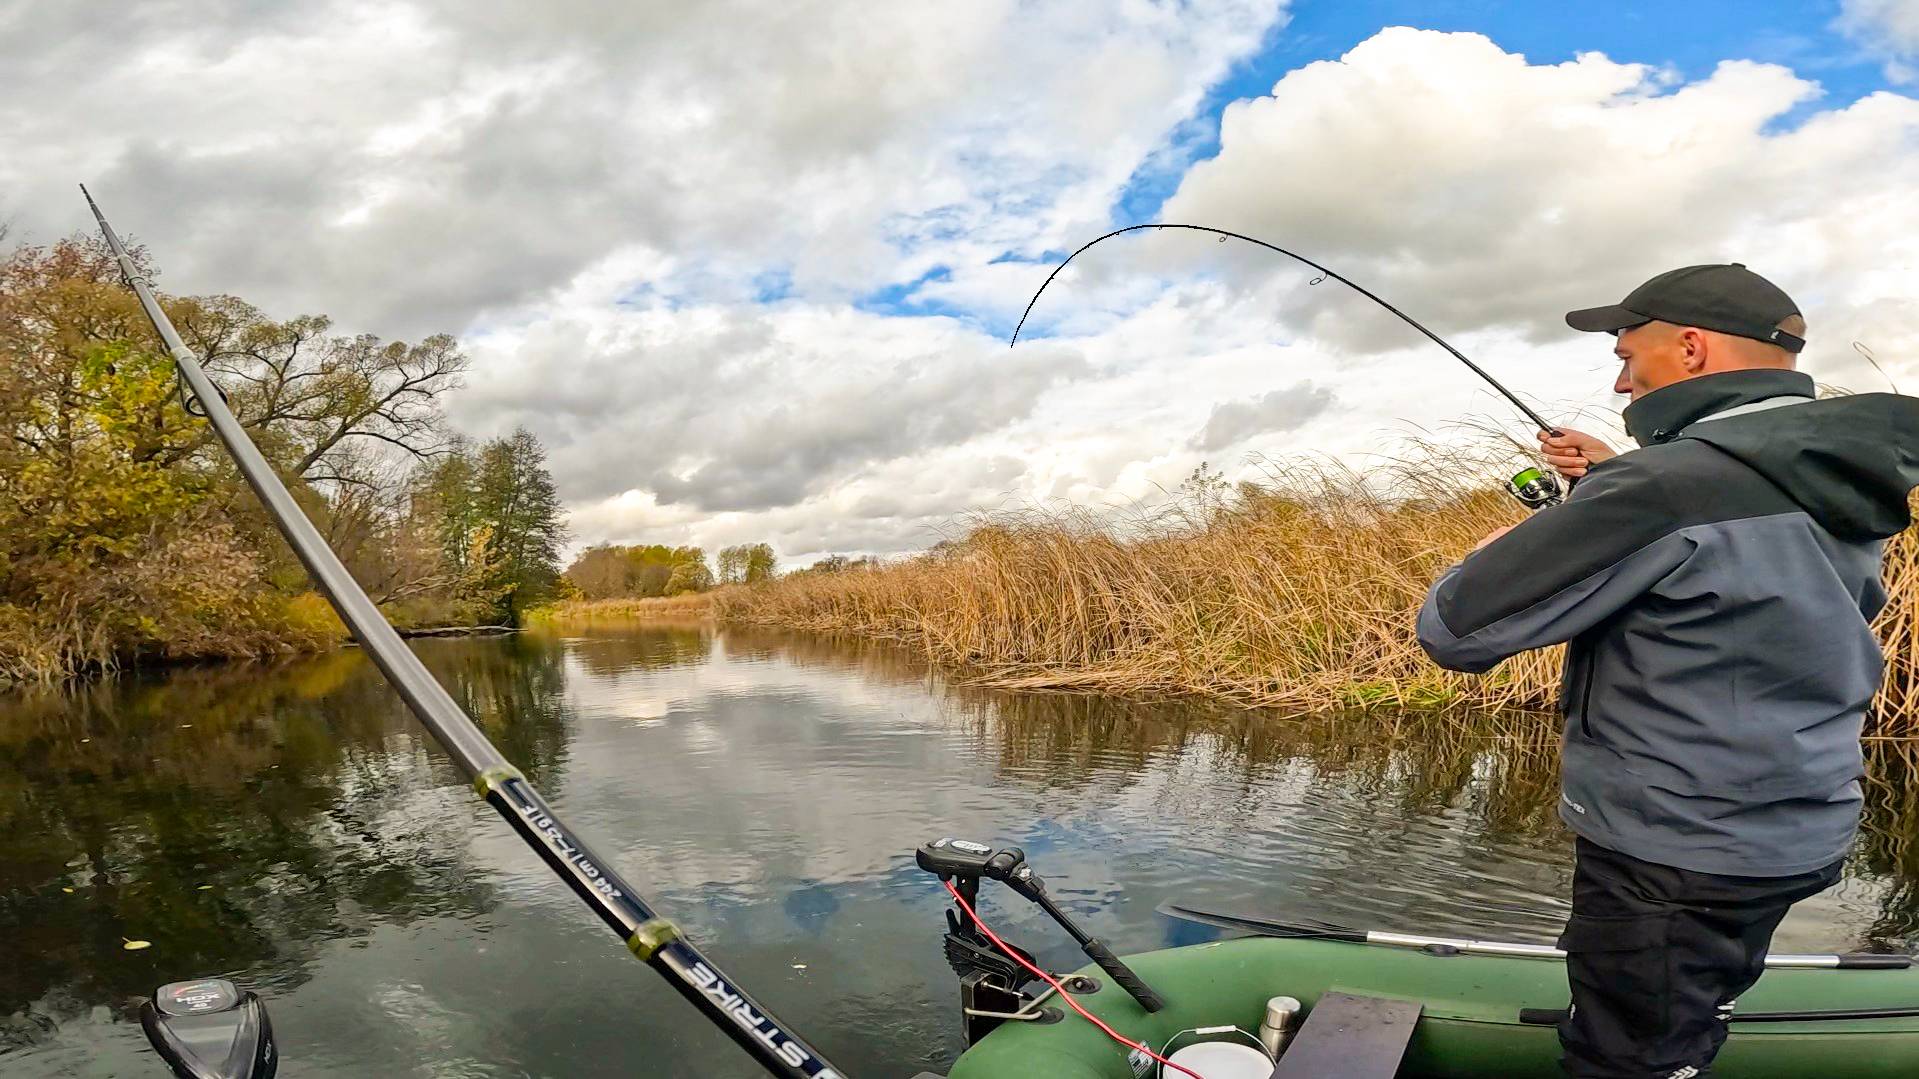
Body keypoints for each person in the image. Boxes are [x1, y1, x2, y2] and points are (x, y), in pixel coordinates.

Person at [1416, 263, 1919, 1078]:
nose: (1620, 380)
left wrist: (1594, 504)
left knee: (1627, 1058)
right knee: (1680, 1017)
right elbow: (1736, 552)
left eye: (1626, 355)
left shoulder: (1663, 488)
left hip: (1674, 851)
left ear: (1687, 348)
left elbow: (1454, 627)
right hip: (1797, 822)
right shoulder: (1834, 465)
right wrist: (1615, 475)